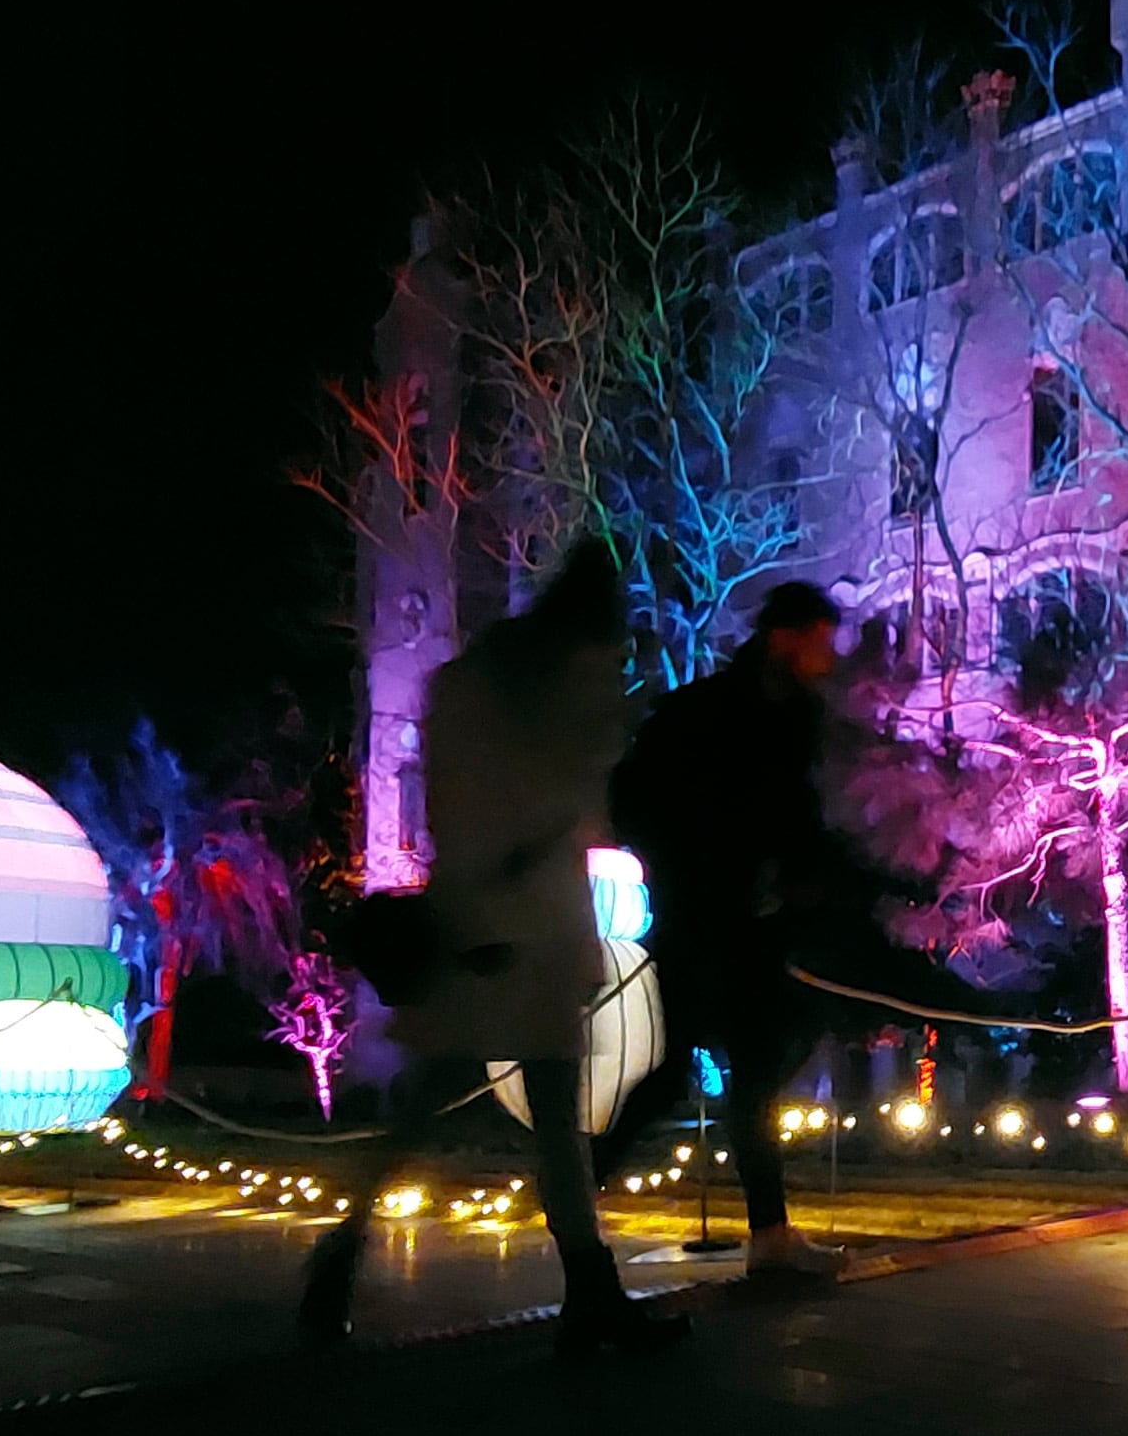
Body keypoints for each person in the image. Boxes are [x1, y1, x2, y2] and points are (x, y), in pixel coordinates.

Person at [300, 541, 688, 1356]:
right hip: (529, 930)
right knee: (546, 1120)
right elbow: (569, 800)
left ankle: (342, 1258)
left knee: (436, 1111)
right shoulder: (568, 693)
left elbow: (457, 808)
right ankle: (588, 1293)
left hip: (479, 924)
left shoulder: (469, 687)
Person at [597, 581, 845, 1277]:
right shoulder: (706, 712)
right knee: (674, 1071)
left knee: (755, 1069)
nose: (829, 657)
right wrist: (687, 872)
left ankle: (769, 1235)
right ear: (785, 638)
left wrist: (791, 879)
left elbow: (795, 817)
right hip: (703, 913)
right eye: (820, 641)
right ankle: (577, 1191)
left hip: (754, 919)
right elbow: (639, 797)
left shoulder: (793, 718)